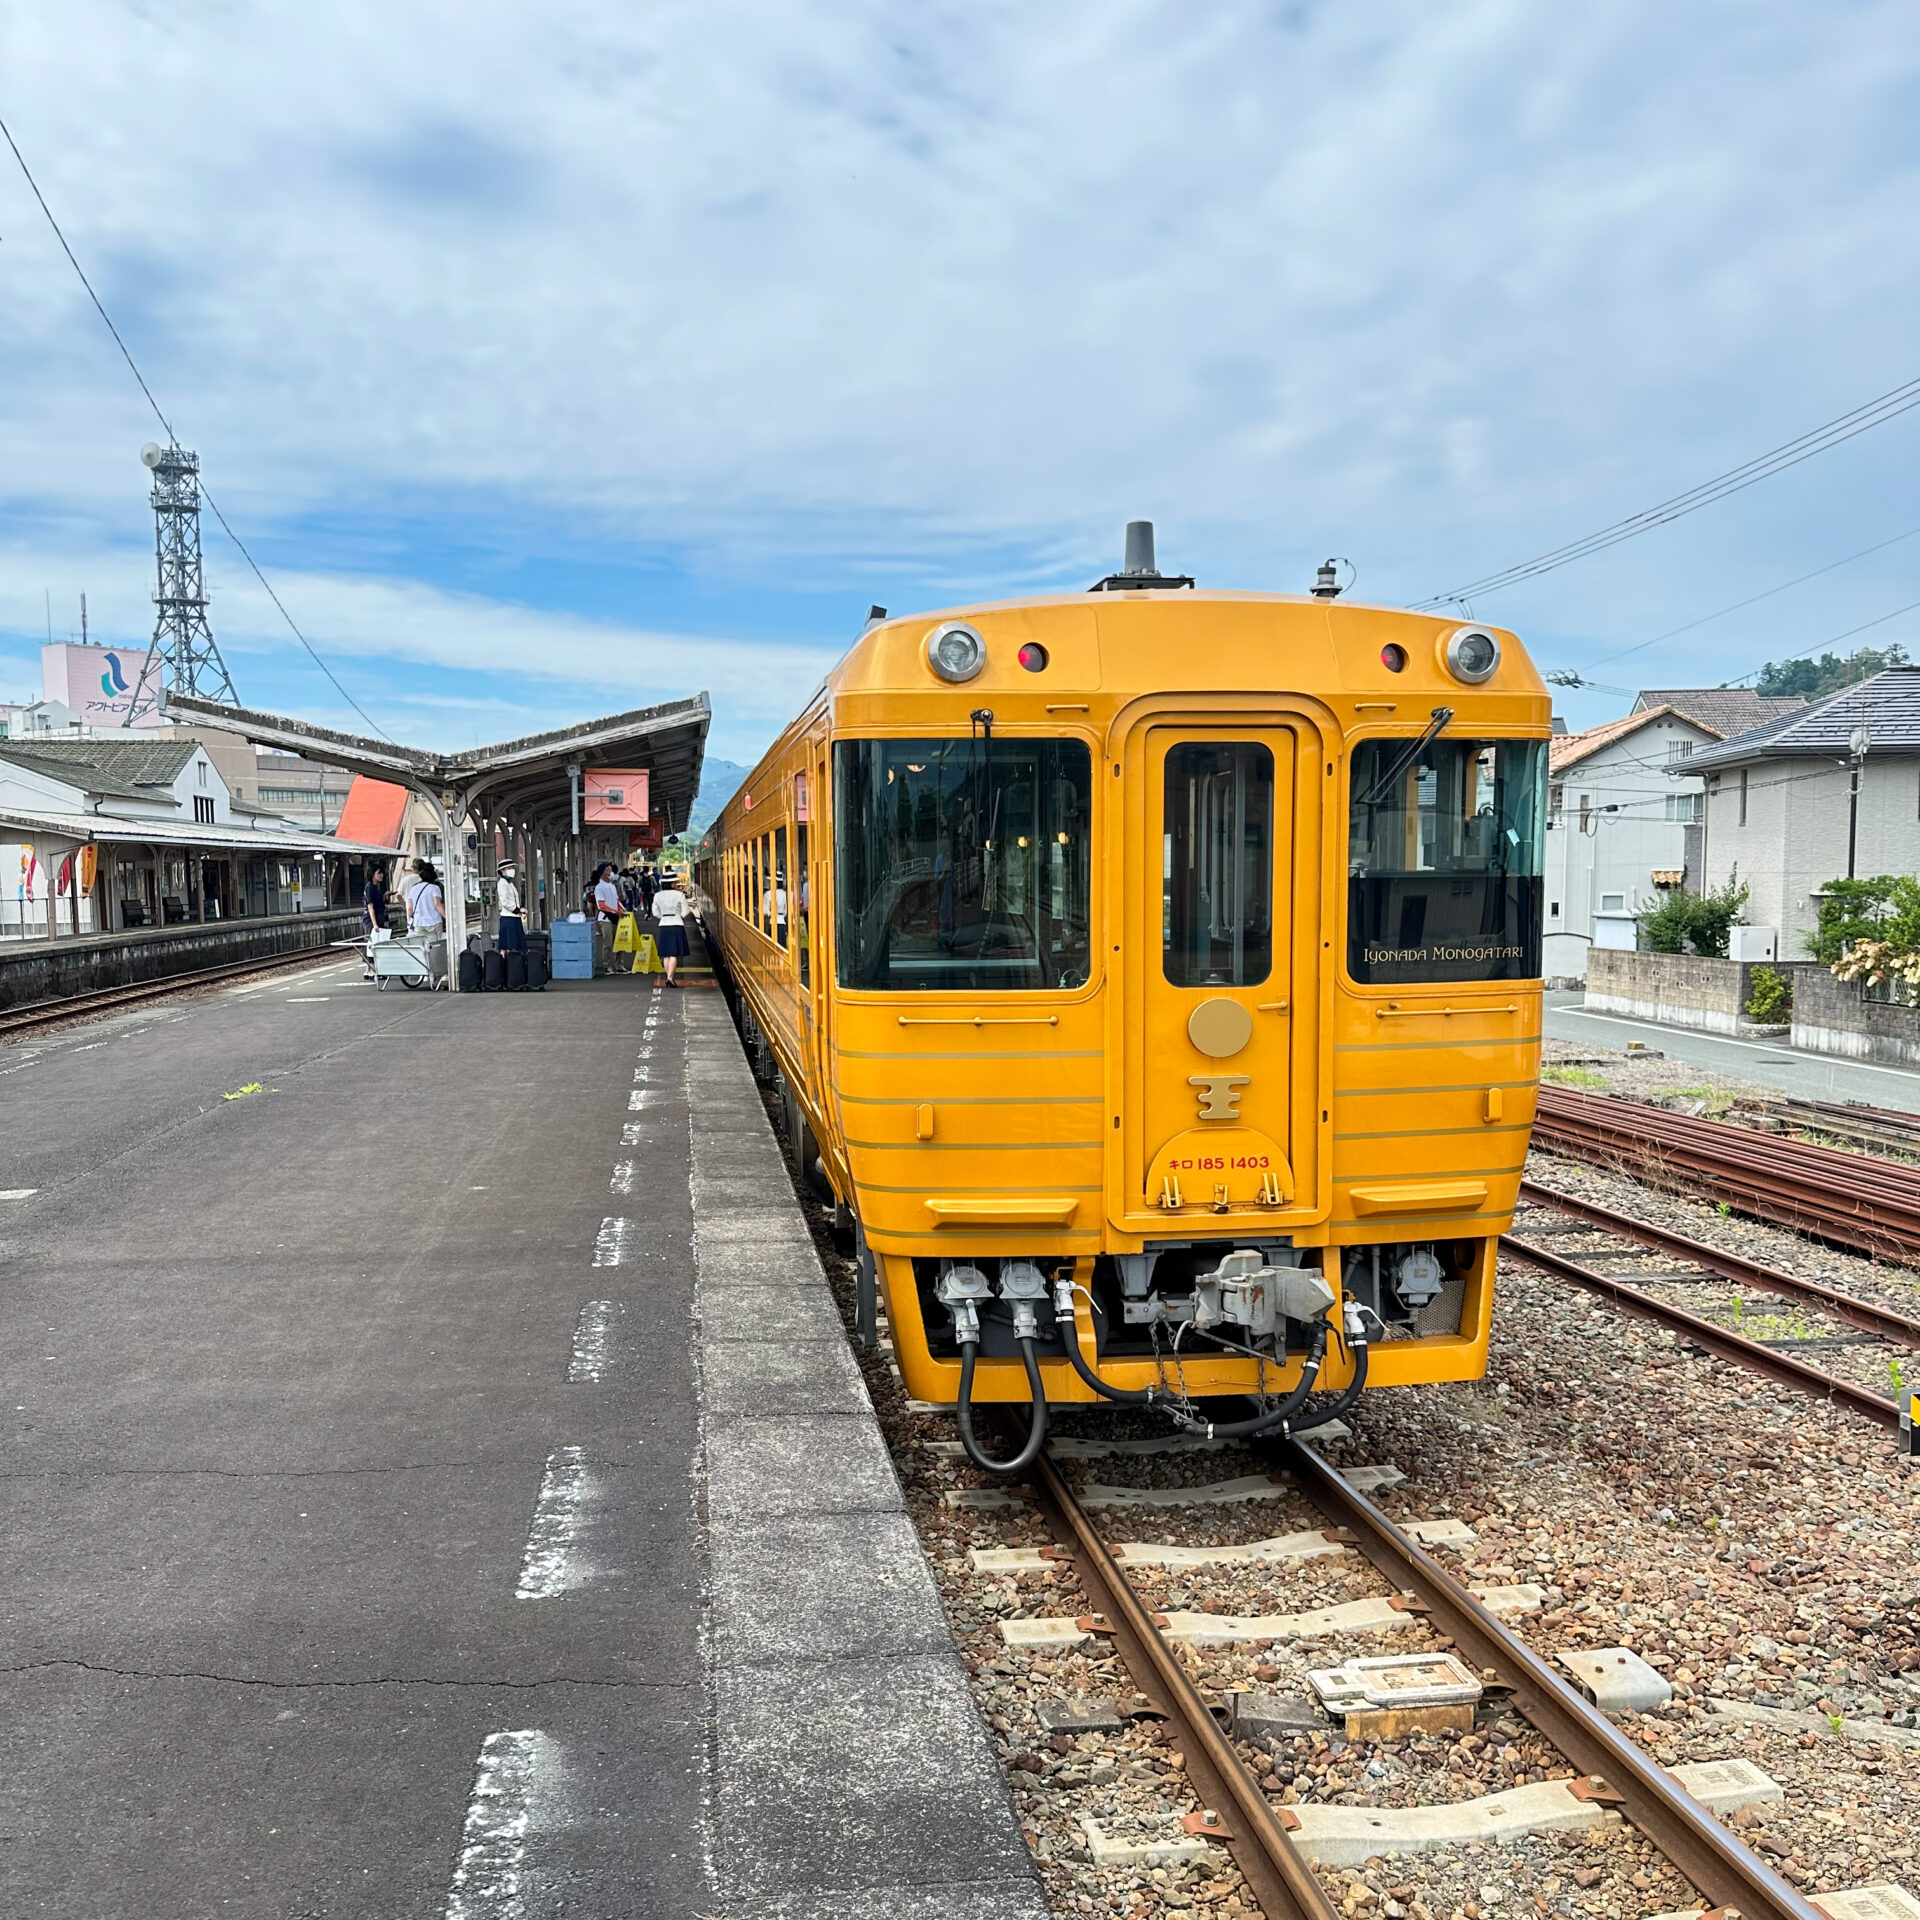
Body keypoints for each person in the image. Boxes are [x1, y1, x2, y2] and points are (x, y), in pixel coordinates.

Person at [652, 873, 690, 987]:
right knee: (674, 954)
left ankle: (668, 977)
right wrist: (679, 916)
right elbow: (686, 911)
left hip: (664, 925)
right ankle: (670, 978)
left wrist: (663, 917)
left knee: (666, 954)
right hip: (677, 924)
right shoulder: (679, 895)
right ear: (672, 884)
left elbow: (655, 913)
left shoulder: (658, 895)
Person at [361, 863, 388, 980]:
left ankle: (368, 970)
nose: (382, 875)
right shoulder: (370, 887)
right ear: (373, 875)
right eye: (379, 873)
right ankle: (373, 970)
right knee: (373, 944)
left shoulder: (374, 888)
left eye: (382, 873)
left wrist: (384, 896)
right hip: (372, 919)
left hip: (375, 918)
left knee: (371, 943)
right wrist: (375, 924)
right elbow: (370, 907)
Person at [495, 859, 526, 954]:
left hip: (513, 917)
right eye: (509, 868)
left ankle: (511, 964)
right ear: (502, 871)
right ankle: (506, 964)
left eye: (512, 868)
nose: (512, 870)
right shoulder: (502, 883)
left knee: (512, 945)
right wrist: (518, 910)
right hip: (508, 918)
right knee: (508, 945)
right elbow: (505, 901)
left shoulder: (509, 883)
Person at [406, 859, 445, 931]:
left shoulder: (413, 888)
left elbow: (410, 909)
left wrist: (411, 919)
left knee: (421, 942)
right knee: (437, 942)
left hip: (419, 924)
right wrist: (446, 917)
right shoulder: (435, 888)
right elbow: (437, 905)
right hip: (434, 923)